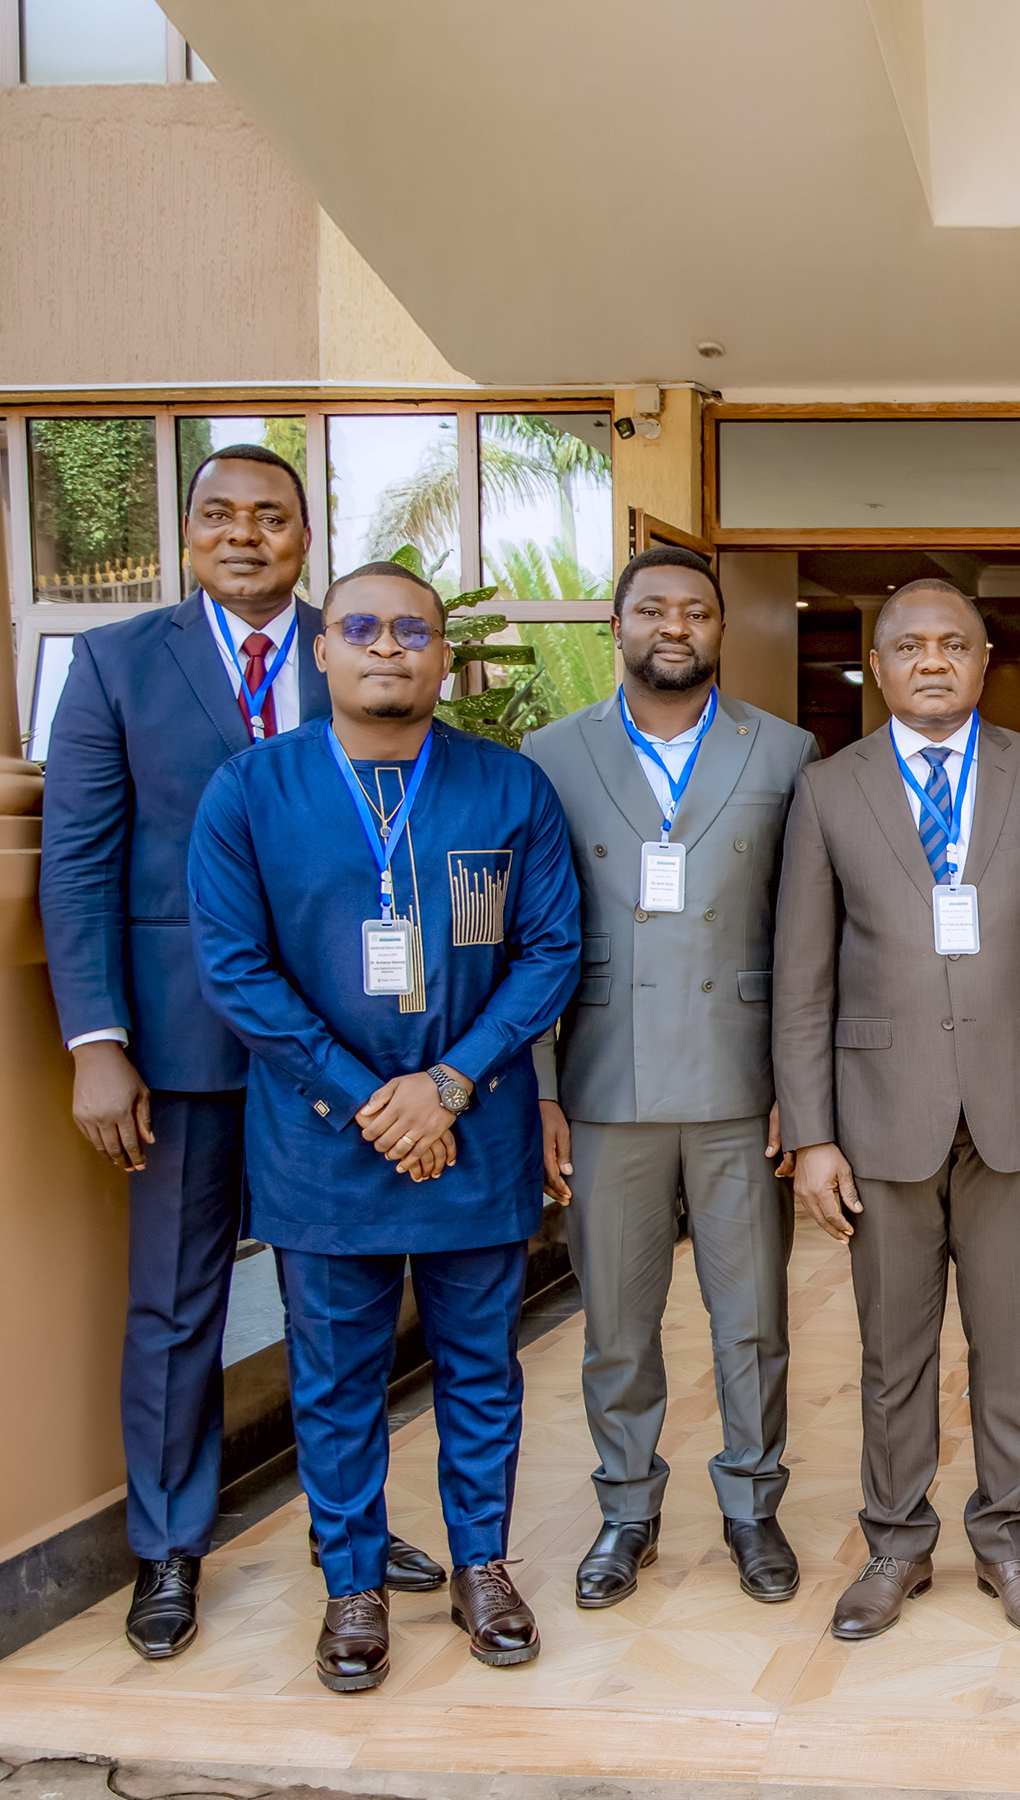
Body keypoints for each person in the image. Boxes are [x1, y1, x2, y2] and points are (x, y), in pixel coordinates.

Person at [39, 445, 441, 1661]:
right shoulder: (117, 663)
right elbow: (80, 858)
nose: (245, 534)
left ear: (306, 537)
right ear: (188, 532)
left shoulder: (362, 641)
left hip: (343, 1054)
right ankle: (168, 1546)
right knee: (178, 1302)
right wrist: (96, 1040)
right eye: (219, 514)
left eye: (271, 516)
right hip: (183, 1051)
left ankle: (348, 1528)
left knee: (343, 1303)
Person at [186, 562, 580, 1693]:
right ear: (322, 649)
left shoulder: (508, 788)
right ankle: (353, 1584)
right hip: (322, 1145)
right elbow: (235, 968)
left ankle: (482, 1566)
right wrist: (370, 1098)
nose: (387, 646)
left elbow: (551, 949)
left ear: (444, 655)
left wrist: (447, 1084)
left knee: (482, 1370)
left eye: (413, 630)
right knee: (335, 1381)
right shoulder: (251, 790)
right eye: (360, 627)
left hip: (475, 1133)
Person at [774, 578, 1020, 1642]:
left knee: (1015, 1351)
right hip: (880, 1117)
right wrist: (812, 1133)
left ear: (983, 663)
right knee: (893, 1354)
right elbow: (802, 979)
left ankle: (1009, 1542)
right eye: (909, 645)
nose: (931, 660)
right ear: (878, 665)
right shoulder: (829, 789)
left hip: (1019, 1110)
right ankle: (895, 1545)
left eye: (952, 644)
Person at [522, 545, 820, 1610]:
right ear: (619, 628)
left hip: (743, 1081)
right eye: (653, 610)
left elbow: (806, 935)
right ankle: (625, 1511)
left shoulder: (783, 750)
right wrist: (542, 1086)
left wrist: (801, 1087)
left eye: (695, 610)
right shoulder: (550, 754)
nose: (675, 627)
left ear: (721, 628)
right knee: (616, 1322)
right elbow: (531, 937)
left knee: (754, 1321)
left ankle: (752, 1507)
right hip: (606, 1079)